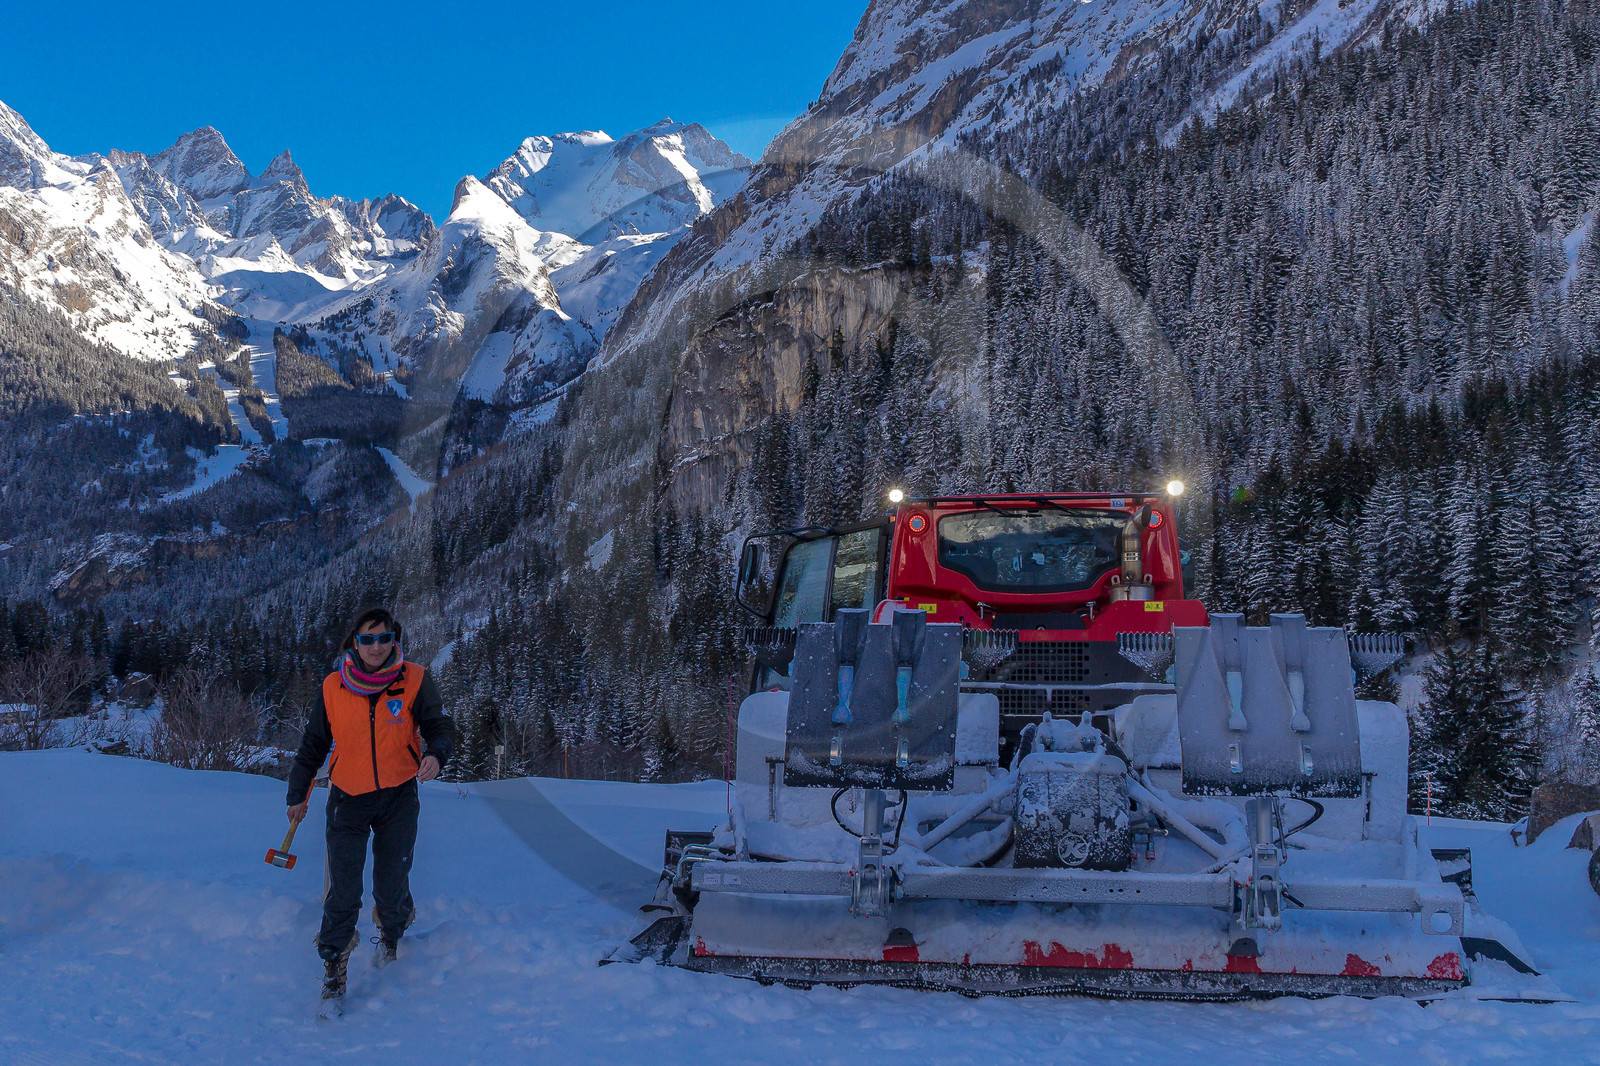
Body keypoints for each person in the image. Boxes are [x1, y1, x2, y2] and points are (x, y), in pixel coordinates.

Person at [286, 607, 454, 1005]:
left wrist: (436, 754)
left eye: (384, 638)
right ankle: (333, 969)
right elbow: (313, 745)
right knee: (343, 890)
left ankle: (392, 931)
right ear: (354, 643)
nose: (376, 647)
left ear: (394, 639)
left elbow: (439, 726)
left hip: (398, 796)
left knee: (391, 883)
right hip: (347, 798)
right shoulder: (333, 687)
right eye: (367, 639)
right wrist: (297, 794)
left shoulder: (414, 679)